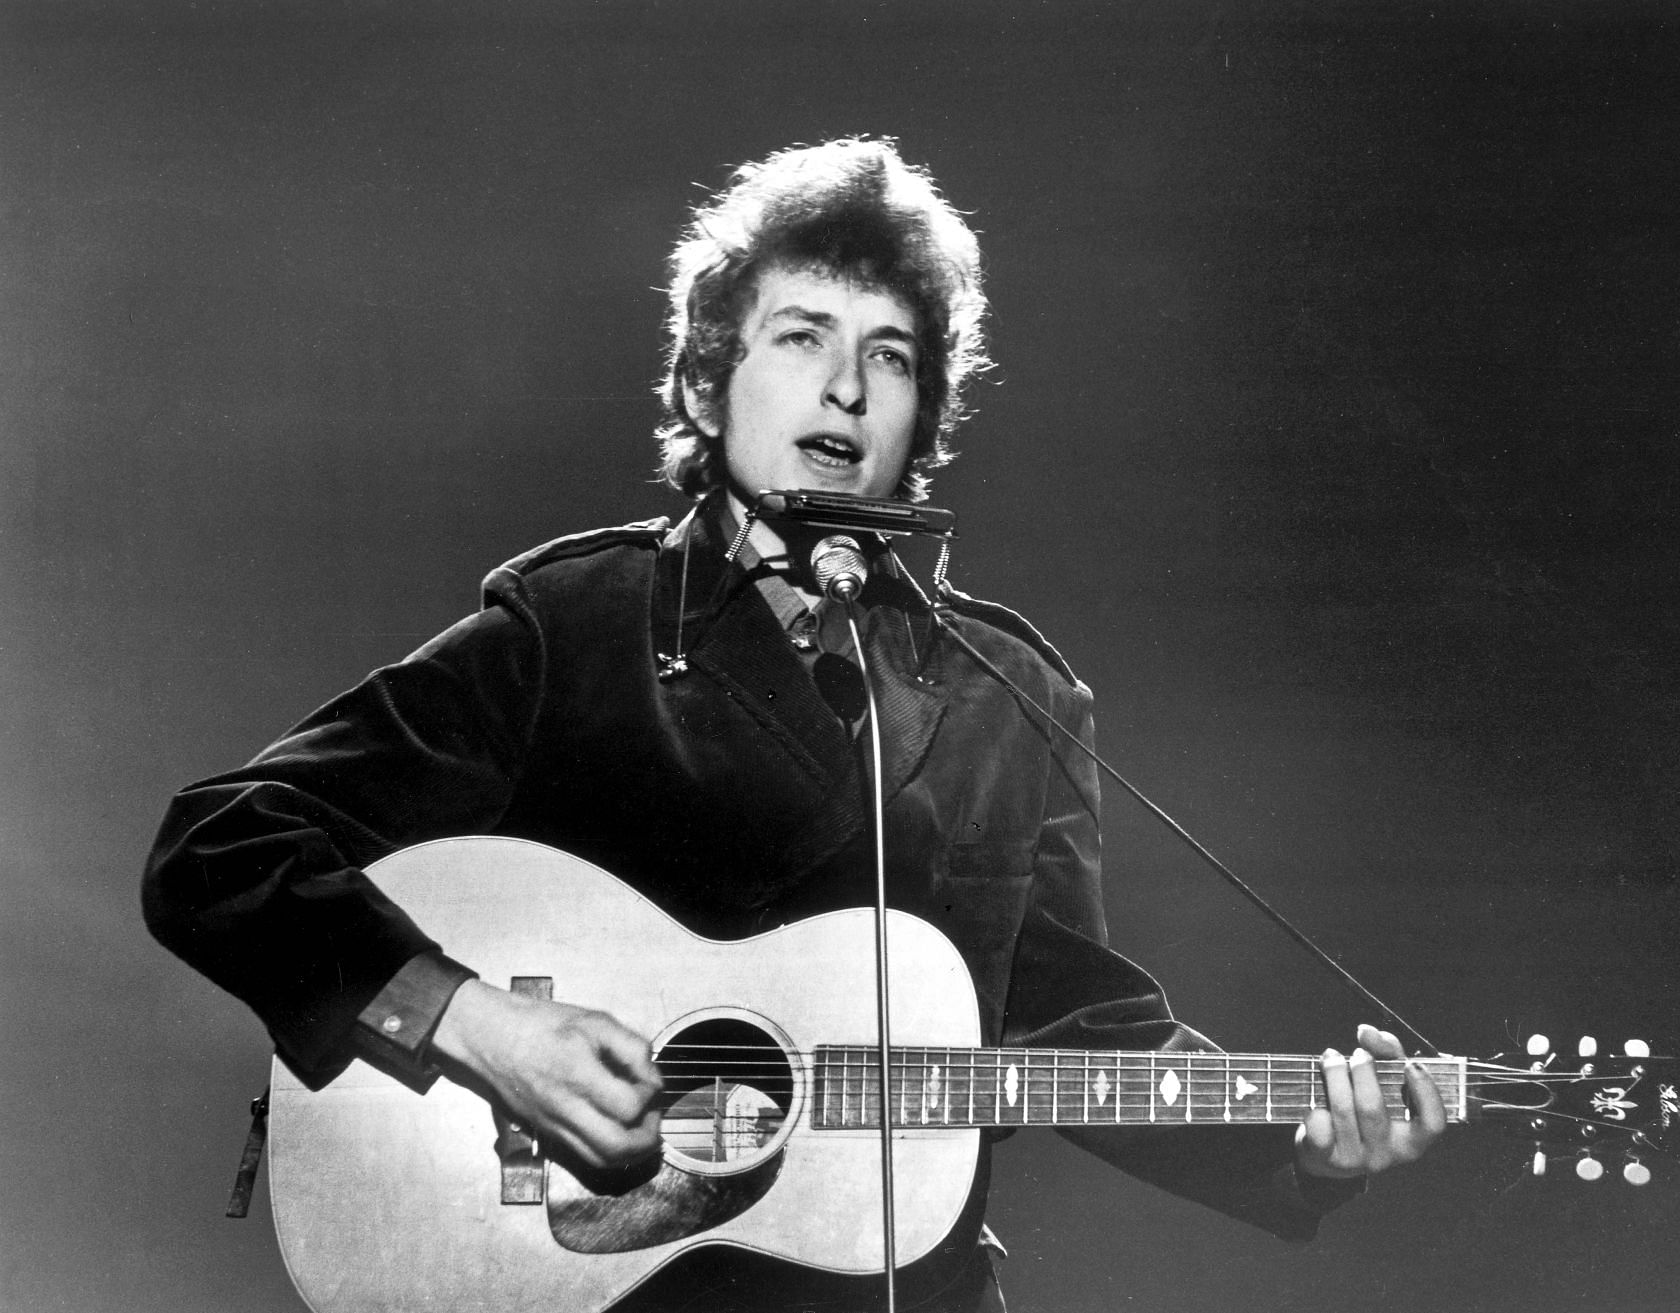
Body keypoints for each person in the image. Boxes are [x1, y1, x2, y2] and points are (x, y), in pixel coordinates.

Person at [143, 137, 1442, 1312]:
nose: (849, 388)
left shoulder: (1013, 695)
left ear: (923, 418)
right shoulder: (581, 622)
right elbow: (219, 848)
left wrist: (1305, 1147)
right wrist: (479, 1021)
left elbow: (1078, 1034)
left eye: (891, 355)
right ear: (709, 384)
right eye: (802, 336)